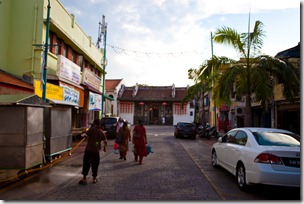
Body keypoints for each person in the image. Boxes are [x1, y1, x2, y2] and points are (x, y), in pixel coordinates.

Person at [79, 119, 107, 185]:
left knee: (86, 164)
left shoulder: (91, 130)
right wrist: (104, 147)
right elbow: (105, 140)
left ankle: (84, 178)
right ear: (99, 124)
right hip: (96, 151)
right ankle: (94, 179)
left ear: (94, 124)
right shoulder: (101, 132)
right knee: (95, 164)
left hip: (88, 150)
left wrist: (83, 136)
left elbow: (85, 136)